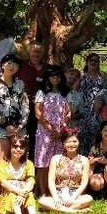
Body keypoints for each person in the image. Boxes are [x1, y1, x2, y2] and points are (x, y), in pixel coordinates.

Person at [34, 65, 71, 194]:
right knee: (43, 163)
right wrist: (49, 127)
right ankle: (43, 192)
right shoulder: (41, 92)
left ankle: (54, 191)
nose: (55, 78)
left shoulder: (65, 93)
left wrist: (62, 130)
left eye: (58, 76)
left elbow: (68, 114)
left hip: (60, 132)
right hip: (45, 132)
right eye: (52, 75)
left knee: (58, 162)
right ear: (48, 77)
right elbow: (38, 113)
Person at [0, 53, 29, 163]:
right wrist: (5, 125)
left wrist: (21, 125)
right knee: (1, 161)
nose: (12, 66)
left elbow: (25, 106)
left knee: (19, 160)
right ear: (2, 66)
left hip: (19, 128)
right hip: (0, 127)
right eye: (9, 63)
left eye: (15, 64)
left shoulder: (21, 84)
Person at [0, 134, 38, 214]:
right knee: (12, 194)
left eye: (22, 147)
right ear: (10, 147)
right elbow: (3, 183)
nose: (18, 149)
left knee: (30, 194)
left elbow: (31, 181)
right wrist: (20, 193)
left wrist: (24, 193)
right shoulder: (1, 164)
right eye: (15, 146)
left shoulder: (29, 164)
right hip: (5, 195)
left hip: (23, 195)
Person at [38, 131, 93, 213]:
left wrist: (73, 198)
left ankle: (57, 209)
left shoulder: (84, 160)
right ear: (63, 144)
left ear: (78, 142)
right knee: (42, 200)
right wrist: (56, 197)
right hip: (58, 192)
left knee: (89, 198)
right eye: (68, 142)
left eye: (74, 141)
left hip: (75, 193)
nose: (72, 144)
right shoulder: (55, 159)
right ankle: (74, 211)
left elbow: (84, 182)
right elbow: (51, 181)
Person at [17, 41, 45, 156]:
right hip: (22, 106)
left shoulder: (46, 69)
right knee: (20, 136)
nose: (36, 54)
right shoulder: (21, 67)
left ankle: (33, 164)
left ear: (42, 54)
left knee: (36, 136)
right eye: (33, 51)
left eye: (38, 52)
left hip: (40, 108)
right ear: (29, 52)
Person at [78, 53, 106, 152]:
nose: (93, 62)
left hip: (98, 110)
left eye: (96, 60)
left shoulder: (103, 75)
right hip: (85, 110)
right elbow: (74, 90)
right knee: (83, 136)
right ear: (87, 62)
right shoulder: (82, 75)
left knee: (97, 136)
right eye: (91, 60)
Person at [65, 67, 85, 133]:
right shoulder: (56, 92)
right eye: (72, 74)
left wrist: (74, 116)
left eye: (76, 76)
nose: (74, 77)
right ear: (65, 74)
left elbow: (82, 113)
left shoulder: (78, 96)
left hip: (72, 131)